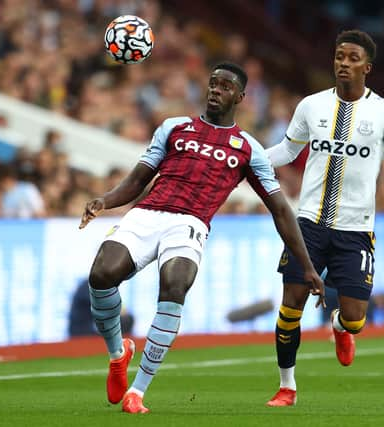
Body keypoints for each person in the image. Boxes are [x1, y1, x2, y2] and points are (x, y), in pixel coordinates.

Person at [79, 62, 324, 414]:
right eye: (212, 84)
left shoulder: (249, 149)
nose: (215, 90)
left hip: (190, 224)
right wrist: (105, 201)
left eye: (225, 86)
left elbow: (281, 210)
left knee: (174, 285)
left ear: (240, 97)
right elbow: (137, 180)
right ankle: (118, 354)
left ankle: (137, 391)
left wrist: (308, 266)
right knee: (101, 274)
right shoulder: (174, 127)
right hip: (148, 213)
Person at [264, 30, 384, 407]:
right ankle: (287, 387)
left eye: (352, 58)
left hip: (356, 229)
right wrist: (246, 161)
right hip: (308, 224)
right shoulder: (311, 106)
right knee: (290, 306)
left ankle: (339, 328)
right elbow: (288, 150)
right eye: (339, 56)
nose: (343, 64)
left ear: (366, 67)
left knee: (355, 318)